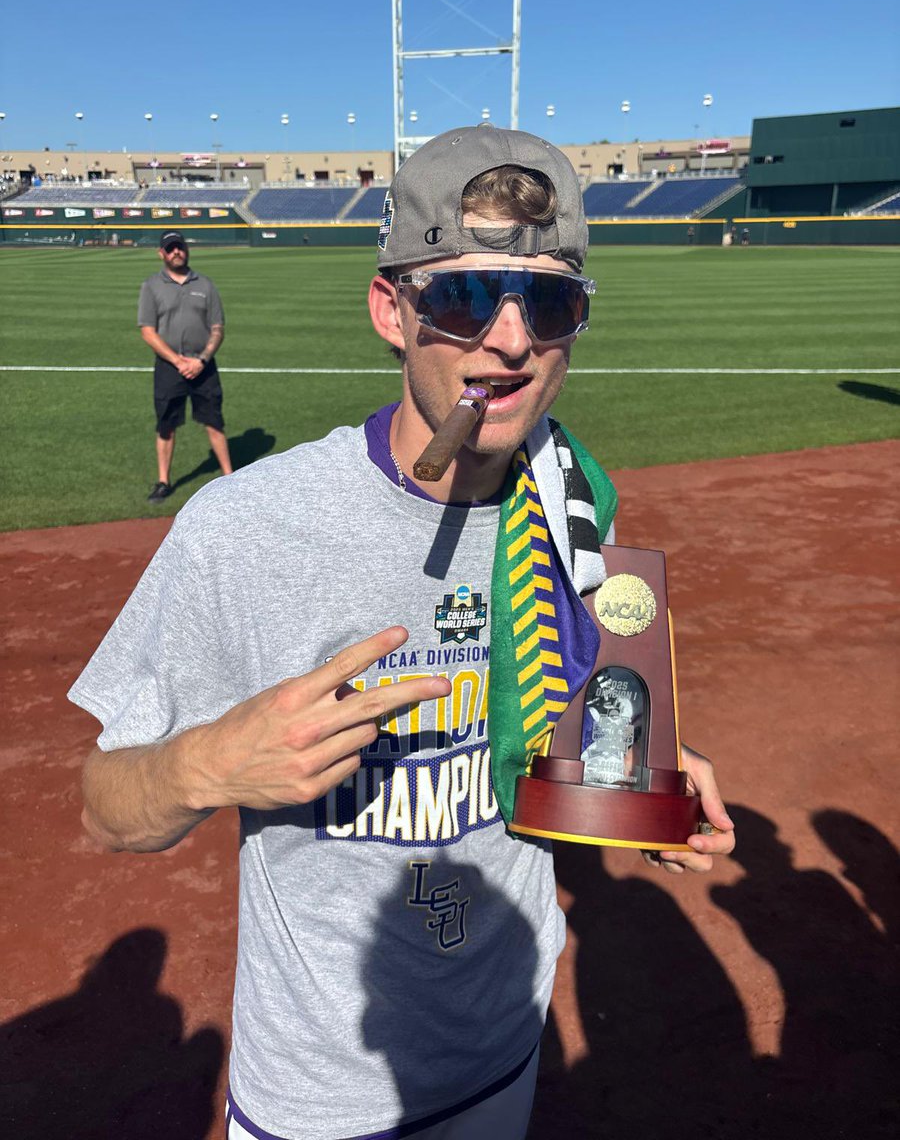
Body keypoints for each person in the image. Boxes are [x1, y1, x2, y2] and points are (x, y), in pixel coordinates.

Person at [71, 126, 735, 1140]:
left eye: (548, 302)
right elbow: (107, 807)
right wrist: (211, 762)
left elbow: (560, 696)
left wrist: (639, 771)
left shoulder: (569, 504)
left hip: (506, 1048)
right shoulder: (244, 528)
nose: (509, 342)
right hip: (320, 1094)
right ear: (393, 309)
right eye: (465, 298)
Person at [138, 230, 233, 501]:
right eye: (170, 249)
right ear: (162, 253)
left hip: (203, 366)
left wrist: (201, 359)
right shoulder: (151, 286)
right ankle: (163, 481)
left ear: (186, 250)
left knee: (214, 422)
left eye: (179, 247)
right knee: (166, 424)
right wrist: (178, 360)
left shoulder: (205, 285)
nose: (176, 252)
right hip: (170, 367)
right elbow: (148, 331)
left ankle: (230, 478)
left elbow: (217, 328)